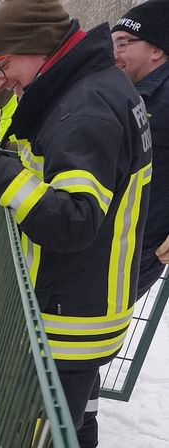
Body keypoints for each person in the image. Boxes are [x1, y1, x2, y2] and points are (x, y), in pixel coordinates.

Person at [0, 0, 151, 448]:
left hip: (72, 319)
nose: (2, 77)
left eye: (1, 65)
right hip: (77, 303)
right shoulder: (88, 90)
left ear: (34, 48)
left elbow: (73, 221)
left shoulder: (87, 106)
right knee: (33, 447)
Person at [112, 1, 169, 298]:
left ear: (156, 49)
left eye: (123, 43)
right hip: (108, 240)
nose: (114, 54)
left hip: (139, 250)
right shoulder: (128, 92)